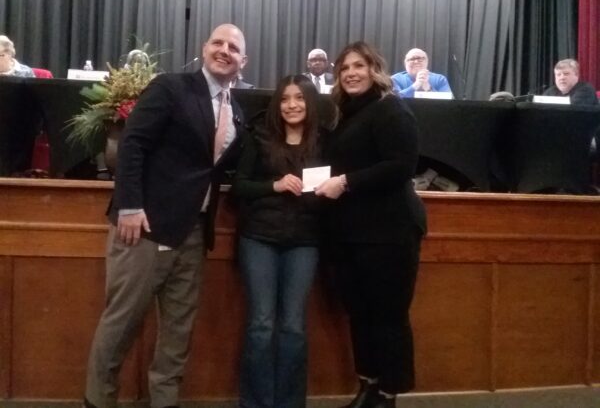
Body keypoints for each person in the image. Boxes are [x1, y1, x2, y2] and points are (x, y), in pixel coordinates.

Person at [83, 23, 248, 408]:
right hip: (144, 227)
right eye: (218, 43)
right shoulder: (172, 87)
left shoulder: (238, 112)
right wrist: (129, 205)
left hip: (194, 234)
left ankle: (165, 401)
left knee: (178, 330)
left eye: (234, 47)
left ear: (244, 61)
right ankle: (98, 400)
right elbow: (132, 144)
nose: (225, 50)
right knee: (122, 323)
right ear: (204, 48)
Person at [315, 42, 427, 408]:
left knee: (387, 318)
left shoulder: (390, 109)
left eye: (358, 66)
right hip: (350, 235)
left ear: (374, 69)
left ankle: (387, 396)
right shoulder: (343, 115)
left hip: (389, 234)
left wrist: (346, 182)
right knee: (360, 315)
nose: (350, 73)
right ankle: (368, 388)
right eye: (344, 68)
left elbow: (401, 166)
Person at [232, 74, 323, 408]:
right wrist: (275, 185)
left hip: (305, 241)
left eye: (299, 98)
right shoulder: (259, 137)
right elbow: (239, 186)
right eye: (284, 99)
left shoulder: (325, 141)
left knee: (293, 327)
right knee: (261, 324)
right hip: (260, 238)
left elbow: (338, 191)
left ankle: (289, 403)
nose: (291, 105)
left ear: (310, 102)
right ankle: (255, 403)